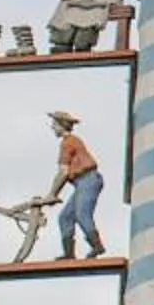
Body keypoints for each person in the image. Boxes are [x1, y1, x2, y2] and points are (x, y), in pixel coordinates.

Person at [45, 111, 104, 259]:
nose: (52, 127)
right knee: (65, 217)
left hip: (88, 180)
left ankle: (97, 245)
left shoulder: (69, 142)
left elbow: (63, 172)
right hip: (82, 183)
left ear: (61, 125)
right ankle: (69, 253)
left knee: (82, 214)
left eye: (54, 125)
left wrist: (52, 194)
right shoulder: (69, 141)